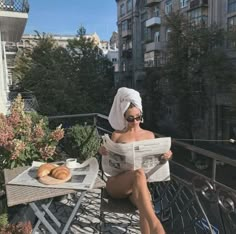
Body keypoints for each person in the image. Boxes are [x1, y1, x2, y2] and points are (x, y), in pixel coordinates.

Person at [99, 87, 172, 234]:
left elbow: (157, 162)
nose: (135, 122)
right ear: (124, 117)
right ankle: (156, 224)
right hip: (117, 184)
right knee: (138, 174)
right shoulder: (117, 135)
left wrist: (166, 156)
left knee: (145, 206)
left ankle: (151, 223)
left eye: (138, 117)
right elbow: (109, 161)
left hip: (138, 185)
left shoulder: (149, 135)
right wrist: (103, 152)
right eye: (130, 118)